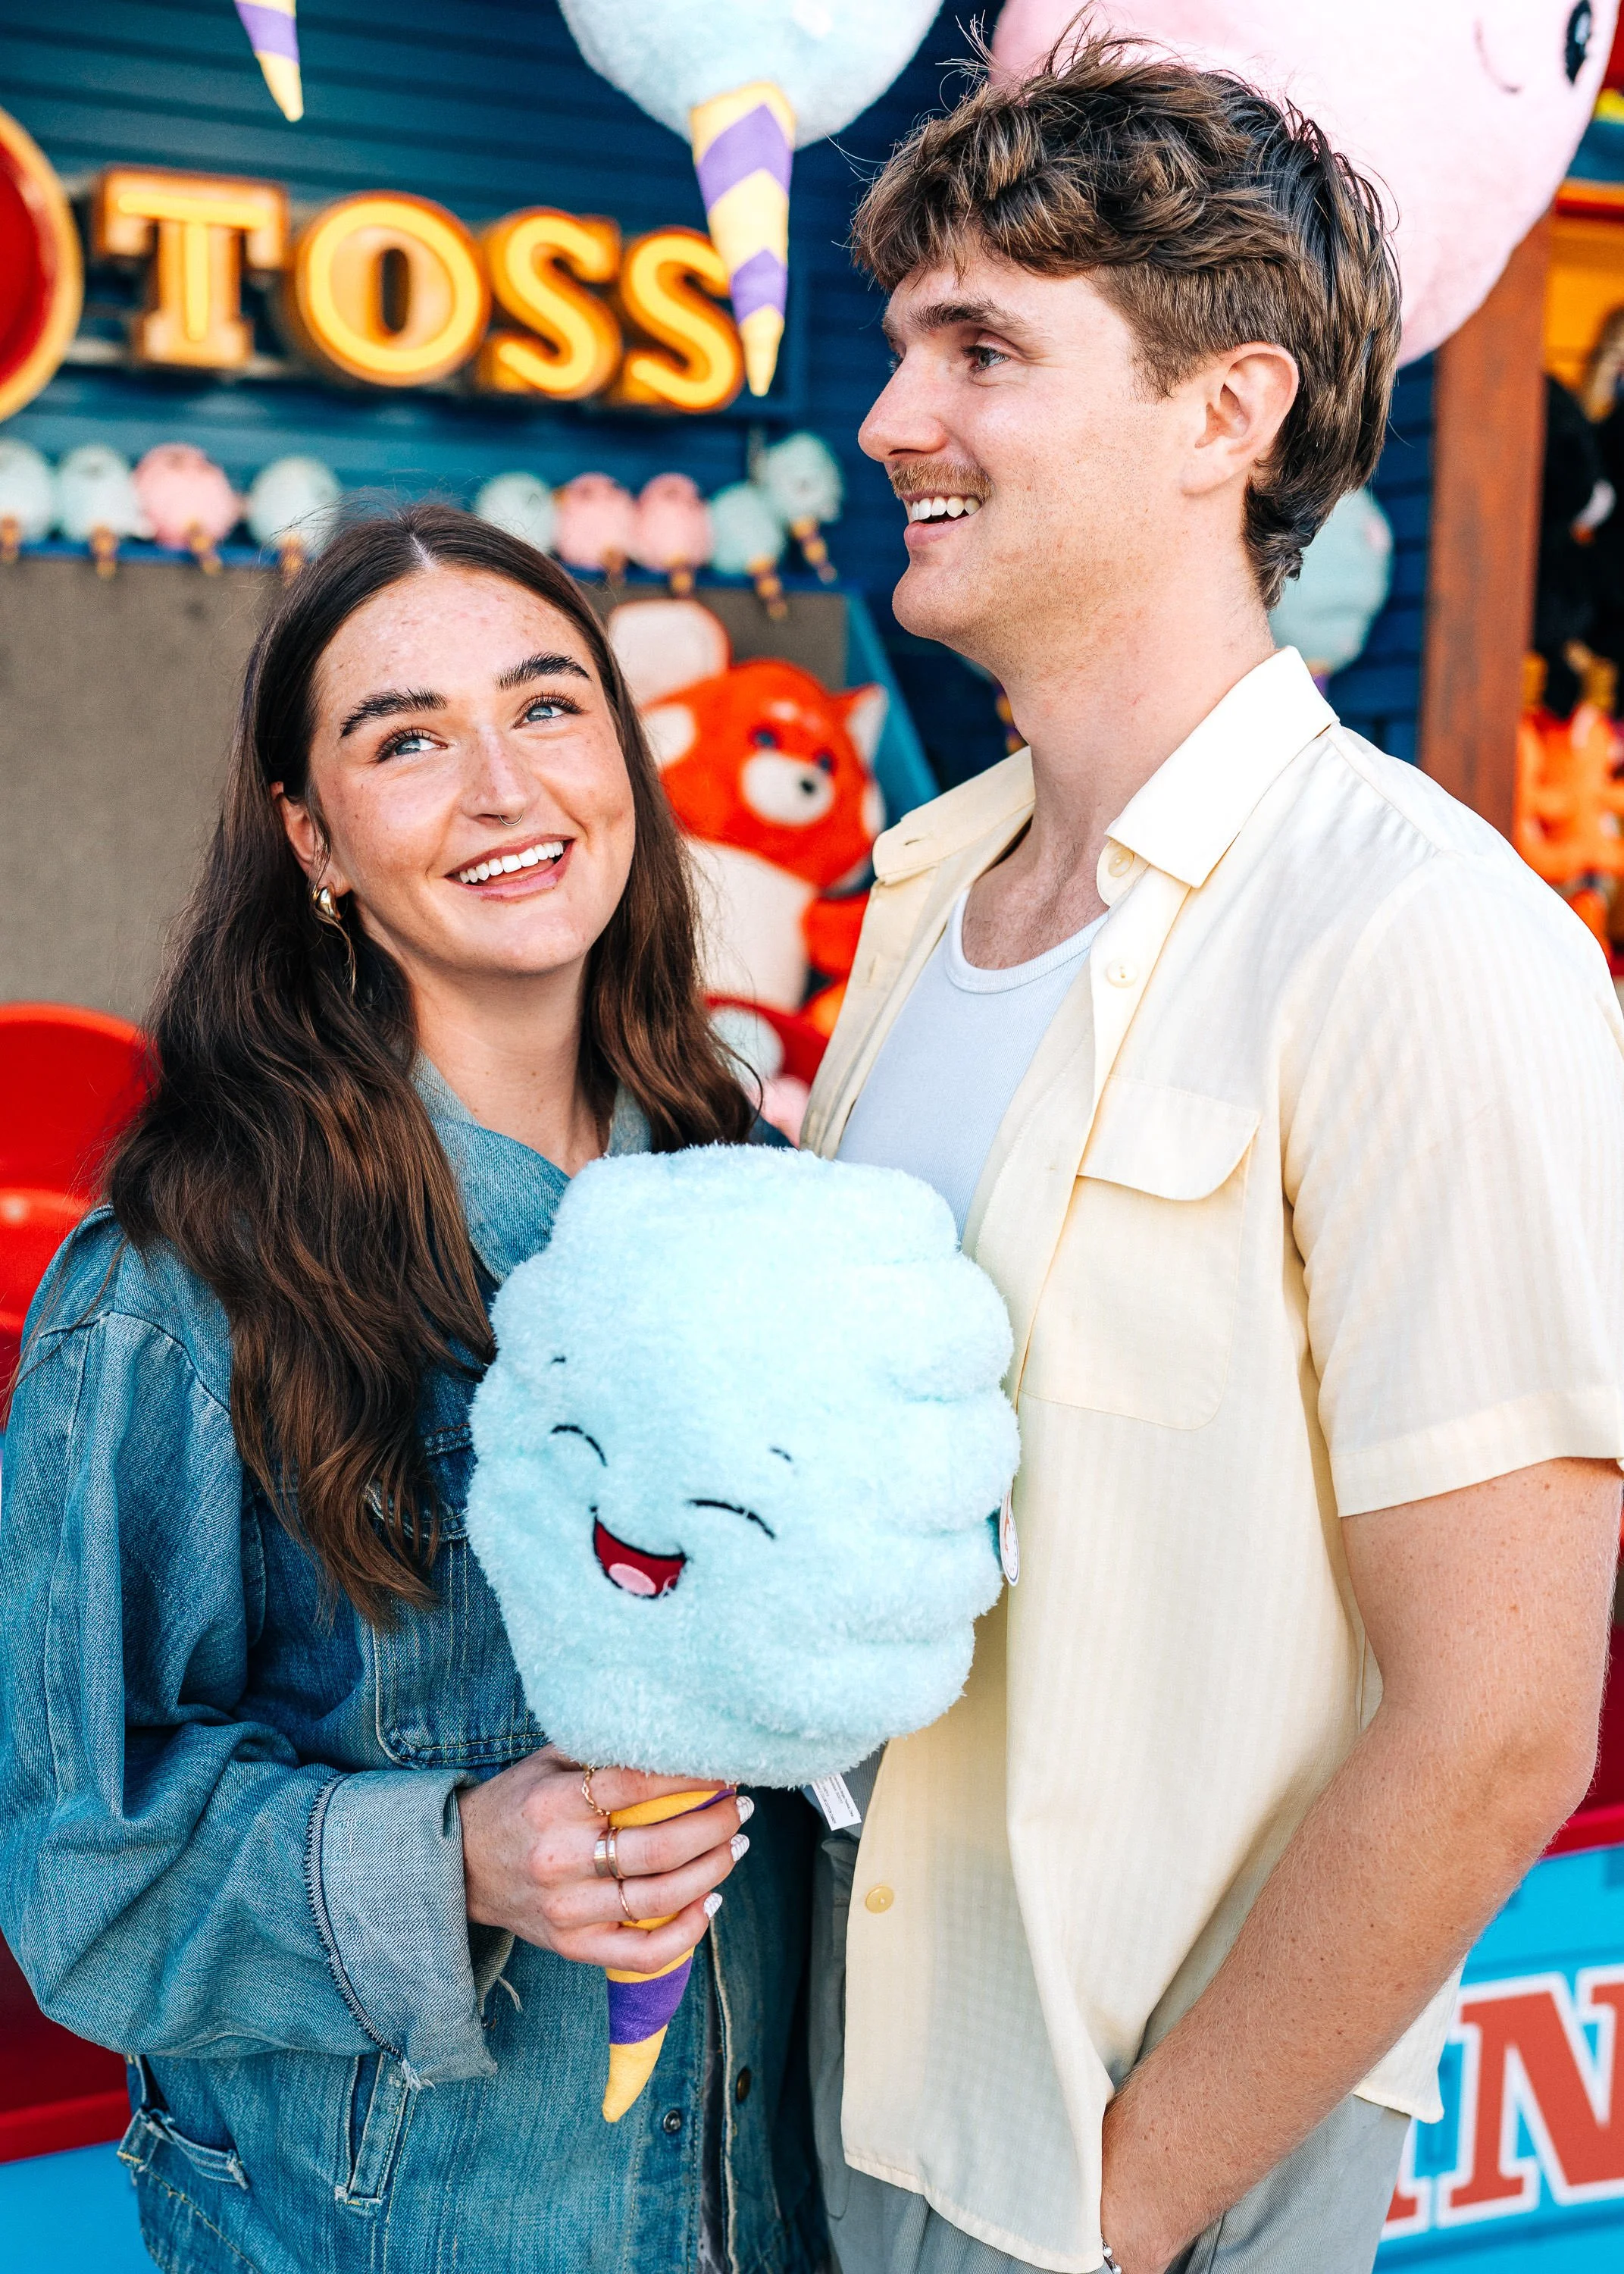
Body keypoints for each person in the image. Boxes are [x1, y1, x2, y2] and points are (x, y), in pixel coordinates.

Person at [802, 34, 1624, 2274]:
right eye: (899, 347)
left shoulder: (1419, 941)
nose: (892, 418)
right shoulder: (910, 896)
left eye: (980, 347)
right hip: (830, 2082)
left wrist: (1129, 2202)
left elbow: (1494, 1725)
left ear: (1222, 412)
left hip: (1112, 2169)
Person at [0, 506, 821, 2274]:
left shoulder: (757, 1199)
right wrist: (457, 1855)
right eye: (405, 739)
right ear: (311, 835)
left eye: (547, 708)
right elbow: (81, 1873)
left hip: (776, 2216)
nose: (504, 788)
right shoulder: (175, 1286)